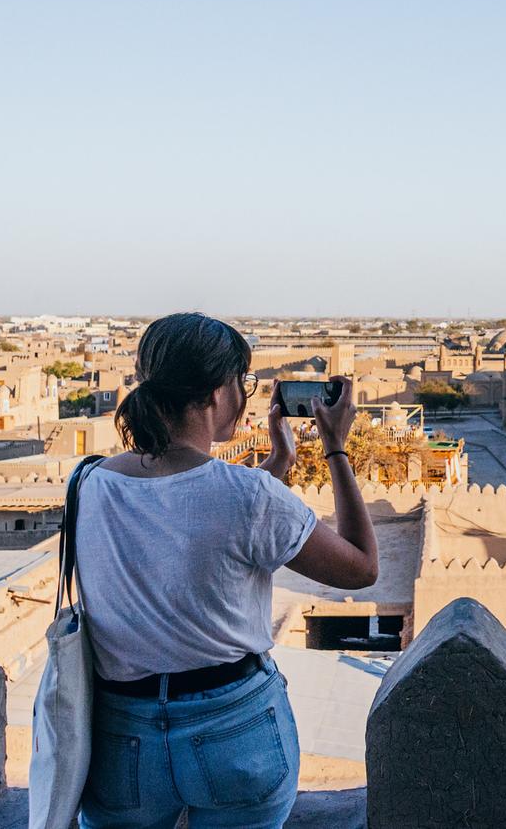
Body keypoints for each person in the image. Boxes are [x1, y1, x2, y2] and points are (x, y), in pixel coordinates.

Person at [72, 312, 377, 828]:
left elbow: (193, 511)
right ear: (218, 392)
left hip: (122, 740)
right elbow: (362, 566)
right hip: (233, 731)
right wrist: (336, 447)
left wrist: (278, 462)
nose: (246, 395)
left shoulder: (90, 483)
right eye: (244, 383)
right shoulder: (249, 497)